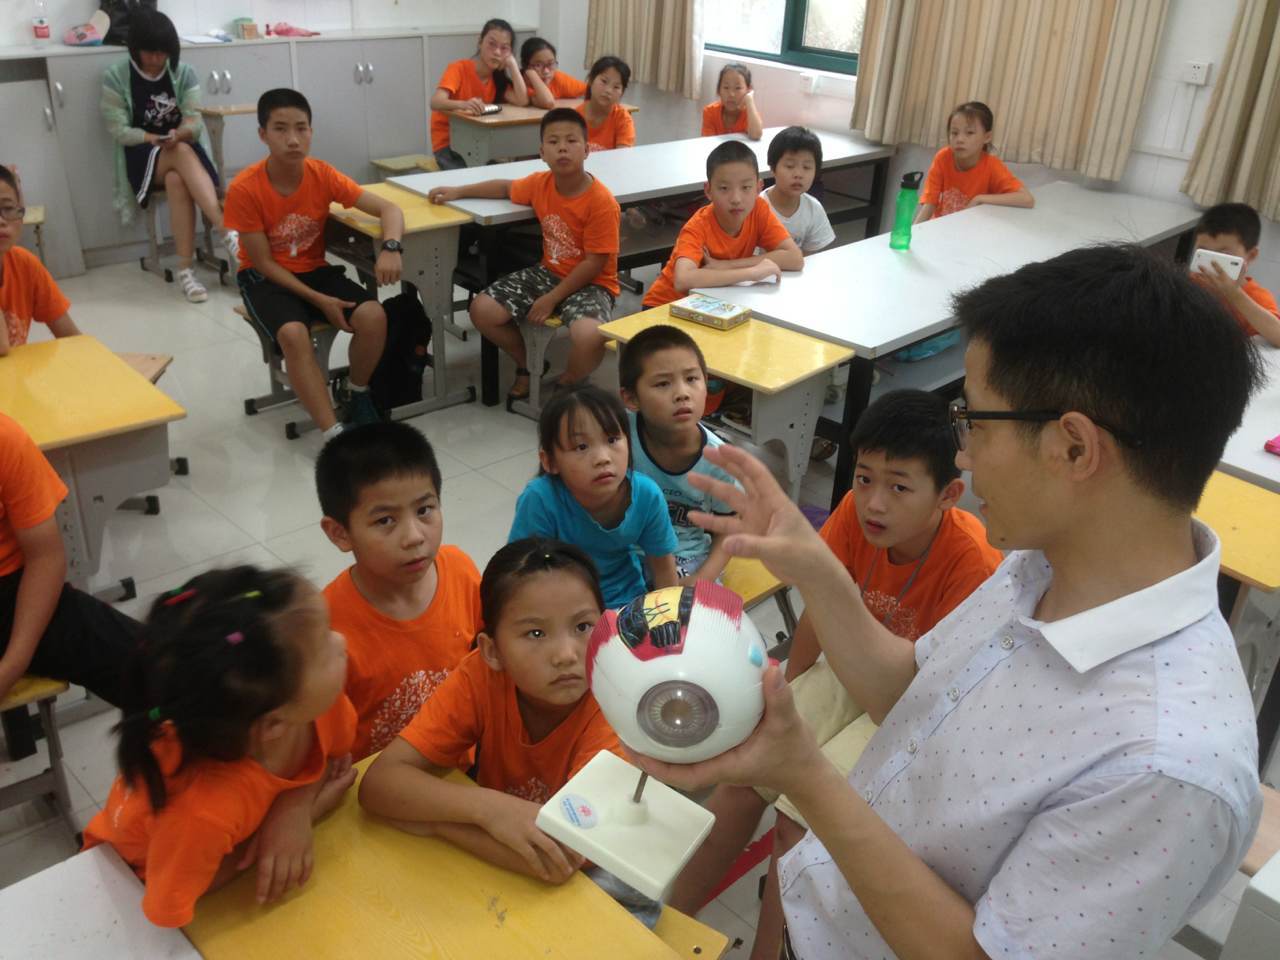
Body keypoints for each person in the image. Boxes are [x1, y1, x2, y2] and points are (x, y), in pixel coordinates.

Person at [629, 244, 1264, 959]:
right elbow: (914, 692)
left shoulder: (1166, 765)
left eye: (976, 422)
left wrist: (803, 773)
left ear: (1073, 448)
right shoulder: (1040, 568)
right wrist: (816, 567)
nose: (962, 453)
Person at [668, 389, 1004, 960]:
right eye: (865, 478)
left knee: (797, 824)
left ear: (948, 495)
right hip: (846, 669)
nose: (874, 502)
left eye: (899, 487)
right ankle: (666, 923)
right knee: (746, 773)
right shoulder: (852, 512)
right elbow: (819, 611)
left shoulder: (973, 563)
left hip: (911, 703)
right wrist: (788, 691)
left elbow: (936, 698)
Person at [81, 566, 357, 927]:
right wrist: (309, 813)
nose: (342, 642)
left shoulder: (313, 708)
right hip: (128, 882)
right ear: (272, 724)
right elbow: (164, 908)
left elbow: (333, 761)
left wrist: (295, 808)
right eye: (324, 648)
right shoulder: (203, 811)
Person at [358, 538, 620, 885]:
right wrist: (489, 809)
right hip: (497, 864)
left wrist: (438, 825)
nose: (566, 655)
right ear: (492, 651)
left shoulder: (615, 704)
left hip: (588, 886)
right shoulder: (482, 675)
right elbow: (379, 784)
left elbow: (566, 857)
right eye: (536, 633)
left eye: (583, 627)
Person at [224, 88, 404, 438]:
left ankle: (356, 391)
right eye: (280, 129)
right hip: (264, 278)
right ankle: (333, 433)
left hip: (313, 270)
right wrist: (320, 301)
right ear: (262, 134)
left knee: (373, 315)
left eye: (301, 128)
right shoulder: (245, 189)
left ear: (311, 131)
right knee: (294, 334)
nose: (293, 139)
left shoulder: (322, 174)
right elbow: (262, 262)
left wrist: (392, 247)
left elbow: (389, 209)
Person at [429, 109, 620, 405]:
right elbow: (505, 187)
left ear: (587, 150)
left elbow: (594, 263)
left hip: (592, 282)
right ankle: (529, 364)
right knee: (482, 309)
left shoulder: (601, 202)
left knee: (591, 335)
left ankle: (570, 381)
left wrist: (551, 299)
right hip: (548, 273)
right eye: (553, 142)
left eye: (571, 141)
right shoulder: (540, 184)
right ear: (542, 153)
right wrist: (458, 191)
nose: (563, 148)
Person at [316, 422, 482, 760]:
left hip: (463, 763)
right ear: (340, 533)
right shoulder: (324, 629)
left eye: (424, 510)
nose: (414, 536)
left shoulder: (460, 570)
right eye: (385, 521)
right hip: (378, 782)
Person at [0, 413, 142, 754]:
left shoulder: (5, 438)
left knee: (168, 677)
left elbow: (45, 558)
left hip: (13, 591)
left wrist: (13, 663)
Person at [99, 8, 237, 303]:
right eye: (149, 52)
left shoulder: (183, 72)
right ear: (135, 49)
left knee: (177, 178)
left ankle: (185, 271)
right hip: (143, 155)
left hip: (181, 150)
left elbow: (194, 121)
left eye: (162, 53)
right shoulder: (116, 76)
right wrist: (153, 138)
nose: (156, 59)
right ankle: (226, 229)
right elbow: (118, 130)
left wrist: (179, 133)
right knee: (180, 152)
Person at [510, 386, 678, 610]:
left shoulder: (647, 495)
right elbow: (522, 575)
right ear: (550, 461)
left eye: (612, 439)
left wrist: (670, 619)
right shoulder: (540, 499)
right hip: (561, 607)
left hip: (626, 599)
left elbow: (663, 569)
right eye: (581, 446)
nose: (602, 458)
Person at [618, 325, 739, 583]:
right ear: (631, 398)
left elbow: (729, 527)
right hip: (621, 550)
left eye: (692, 379)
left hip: (684, 557)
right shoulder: (617, 436)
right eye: (663, 383)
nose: (682, 393)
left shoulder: (720, 461)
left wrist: (703, 577)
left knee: (688, 607)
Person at [643, 140, 802, 308]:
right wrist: (751, 272)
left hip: (711, 305)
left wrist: (725, 266)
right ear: (708, 191)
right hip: (664, 307)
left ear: (758, 187)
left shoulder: (758, 209)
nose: (736, 199)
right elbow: (683, 280)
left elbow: (795, 258)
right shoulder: (699, 225)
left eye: (746, 187)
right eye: (724, 188)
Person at [0, 166, 81, 355]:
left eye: (8, 208)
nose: (1, 221)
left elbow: (72, 337)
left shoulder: (25, 264)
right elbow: (1, 347)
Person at [429, 19, 530, 169]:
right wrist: (463, 104)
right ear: (480, 42)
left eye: (504, 48)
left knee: (502, 174)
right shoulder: (459, 68)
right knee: (471, 179)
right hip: (449, 144)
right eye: (492, 44)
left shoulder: (498, 79)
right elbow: (435, 102)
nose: (497, 52)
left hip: (479, 144)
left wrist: (513, 65)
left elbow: (522, 100)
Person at [915, 101, 1034, 222]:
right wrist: (912, 231)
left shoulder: (991, 165)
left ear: (987, 137)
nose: (960, 139)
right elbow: (930, 203)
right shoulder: (943, 157)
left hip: (974, 229)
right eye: (954, 133)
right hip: (940, 226)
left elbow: (1026, 199)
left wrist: (980, 199)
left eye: (969, 133)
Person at [1191, 201, 1280, 348]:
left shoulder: (1256, 296)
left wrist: (1235, 294)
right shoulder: (1190, 283)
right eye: (1204, 253)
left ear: (1251, 255)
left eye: (1224, 255)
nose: (1213, 263)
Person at [763, 126, 835, 255]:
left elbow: (811, 256)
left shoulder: (813, 208)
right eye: (790, 166)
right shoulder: (756, 208)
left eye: (806, 167)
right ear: (773, 168)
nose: (798, 174)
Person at [575, 56, 635, 152]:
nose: (608, 90)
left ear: (622, 92)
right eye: (604, 81)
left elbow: (623, 157)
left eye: (616, 87)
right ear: (591, 80)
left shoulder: (623, 119)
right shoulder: (575, 117)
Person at [702, 62, 763, 140]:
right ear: (718, 90)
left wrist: (749, 100)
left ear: (748, 90)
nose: (731, 94)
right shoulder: (710, 112)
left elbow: (756, 135)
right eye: (726, 87)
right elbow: (707, 142)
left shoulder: (749, 114)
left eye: (738, 88)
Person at [521, 37, 587, 108]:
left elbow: (590, 90)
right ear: (526, 66)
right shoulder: (522, 84)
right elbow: (548, 102)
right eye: (538, 65)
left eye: (551, 63)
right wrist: (531, 74)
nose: (546, 71)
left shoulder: (559, 78)